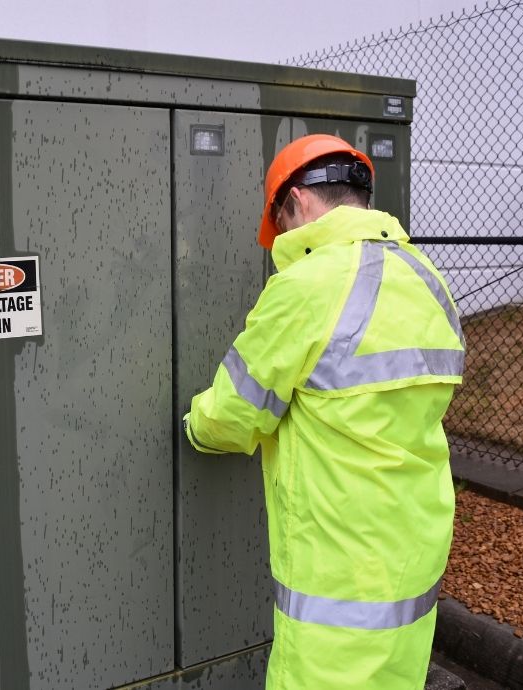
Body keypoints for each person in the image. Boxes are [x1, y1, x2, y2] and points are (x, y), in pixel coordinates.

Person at [183, 134, 465, 689]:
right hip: (413, 551)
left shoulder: (306, 287)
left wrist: (193, 428)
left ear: (299, 203)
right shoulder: (429, 279)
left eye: (281, 223)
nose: (285, 238)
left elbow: (232, 415)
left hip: (337, 568)